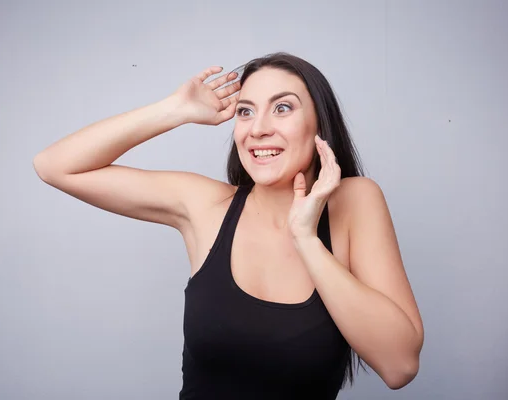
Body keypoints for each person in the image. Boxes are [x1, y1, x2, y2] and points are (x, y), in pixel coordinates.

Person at [33, 52, 424, 399]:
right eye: (246, 111)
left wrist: (306, 239)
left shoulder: (354, 202)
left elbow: (399, 366)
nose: (258, 129)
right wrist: (175, 110)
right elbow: (55, 166)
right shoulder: (207, 207)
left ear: (319, 123)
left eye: (282, 108)